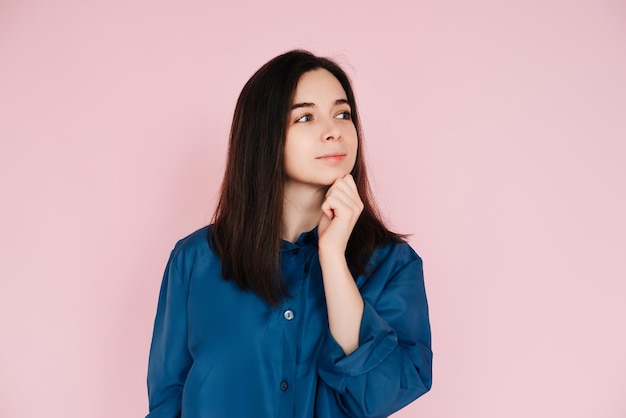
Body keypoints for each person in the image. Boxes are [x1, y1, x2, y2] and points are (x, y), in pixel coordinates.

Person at [146, 49, 432, 418]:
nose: (334, 131)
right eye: (306, 117)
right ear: (263, 135)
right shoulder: (196, 260)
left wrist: (332, 259)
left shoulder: (392, 265)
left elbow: (379, 394)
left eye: (343, 114)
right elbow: (168, 400)